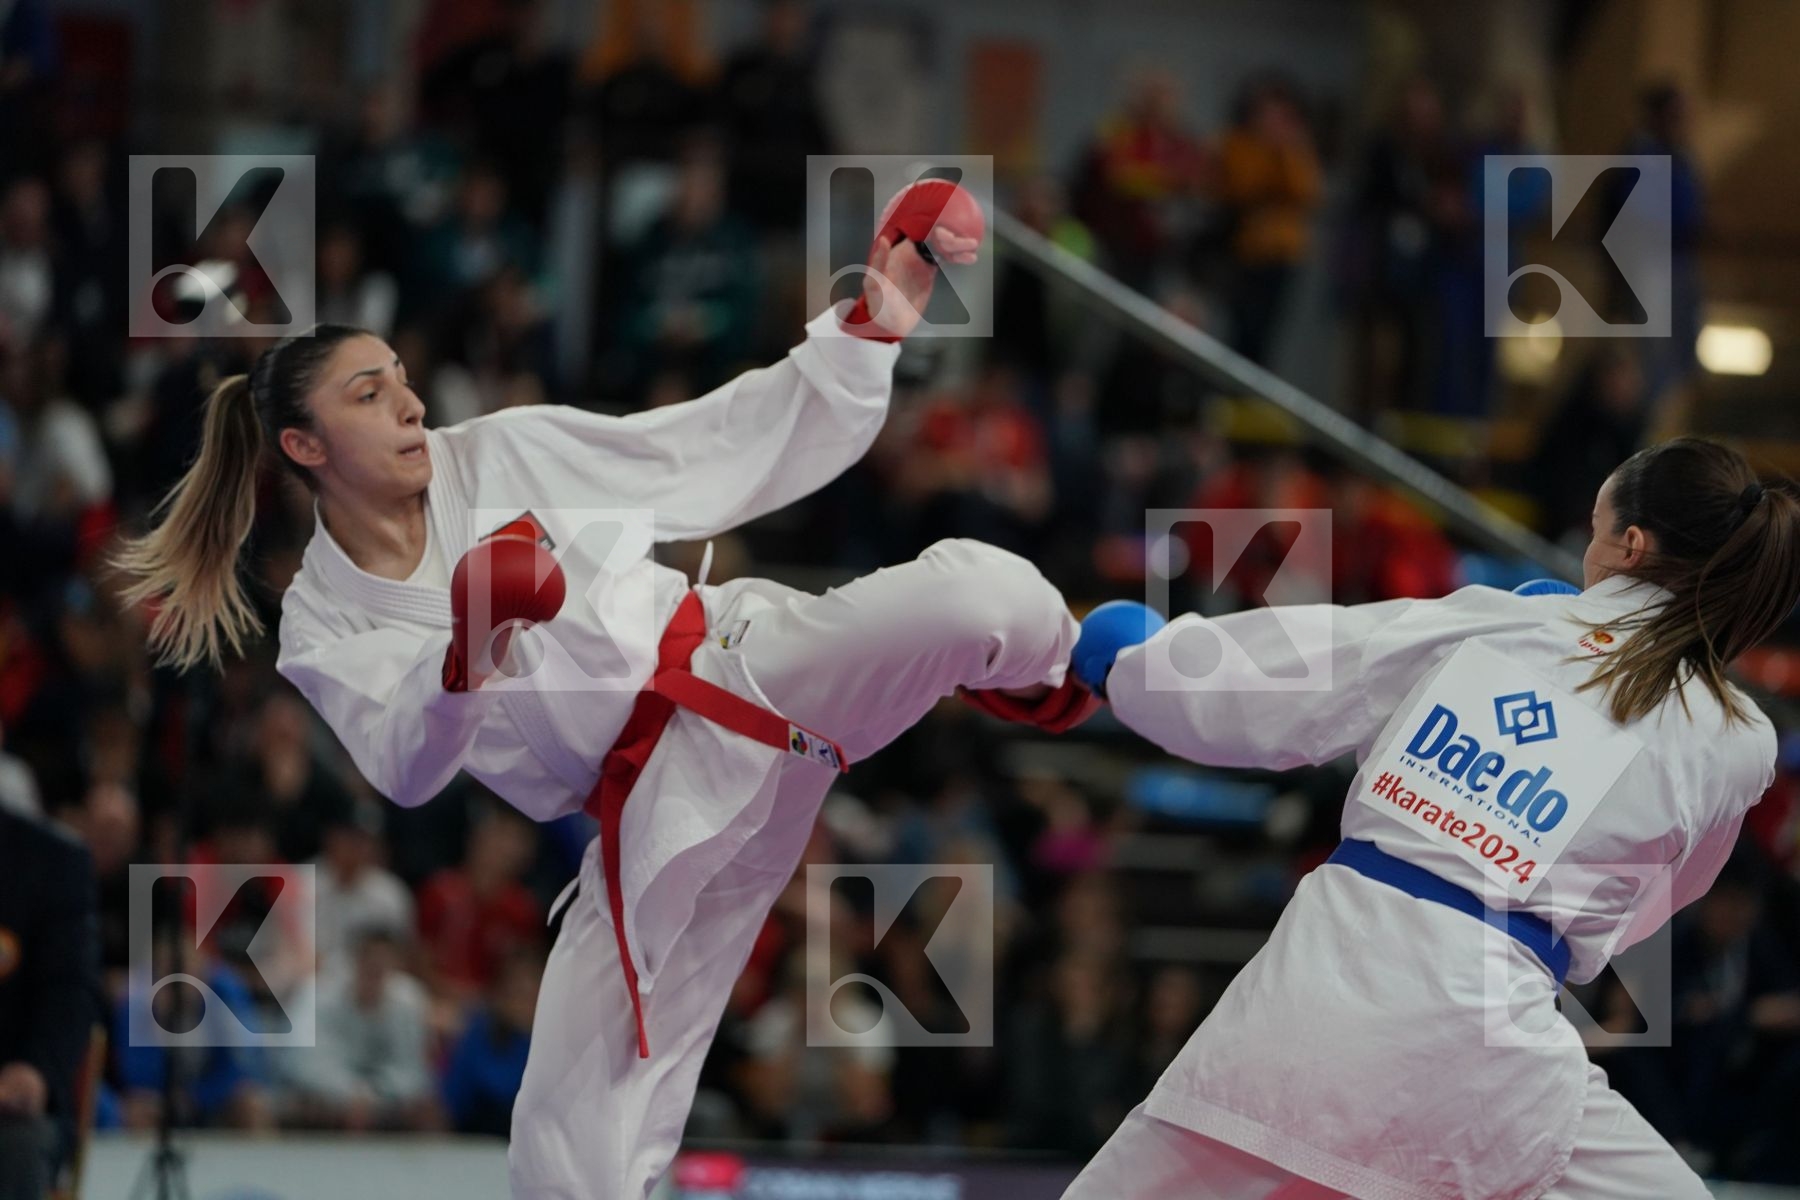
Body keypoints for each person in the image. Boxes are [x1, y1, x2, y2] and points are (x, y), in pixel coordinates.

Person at [116, 183, 1095, 1199]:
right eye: (367, 395)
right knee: (559, 1157)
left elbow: (698, 447)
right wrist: (470, 651)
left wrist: (865, 330)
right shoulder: (324, 619)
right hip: (646, 817)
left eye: (400, 378)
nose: (408, 404)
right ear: (304, 448)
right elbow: (405, 770)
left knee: (983, 593)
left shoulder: (497, 452)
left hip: (738, 663)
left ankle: (1100, 668)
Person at [1063, 437, 1800, 1198]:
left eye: (1594, 529)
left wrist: (1125, 666)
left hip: (1309, 1014)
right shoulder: (1737, 738)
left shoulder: (1495, 625)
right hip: (1498, 1063)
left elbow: (1277, 684)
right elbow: (1646, 906)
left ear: (1631, 545)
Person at [0, 807, 99, 1200]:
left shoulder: (50, 860)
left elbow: (70, 991)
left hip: (8, 1099)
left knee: (20, 1143)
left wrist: (35, 1071)